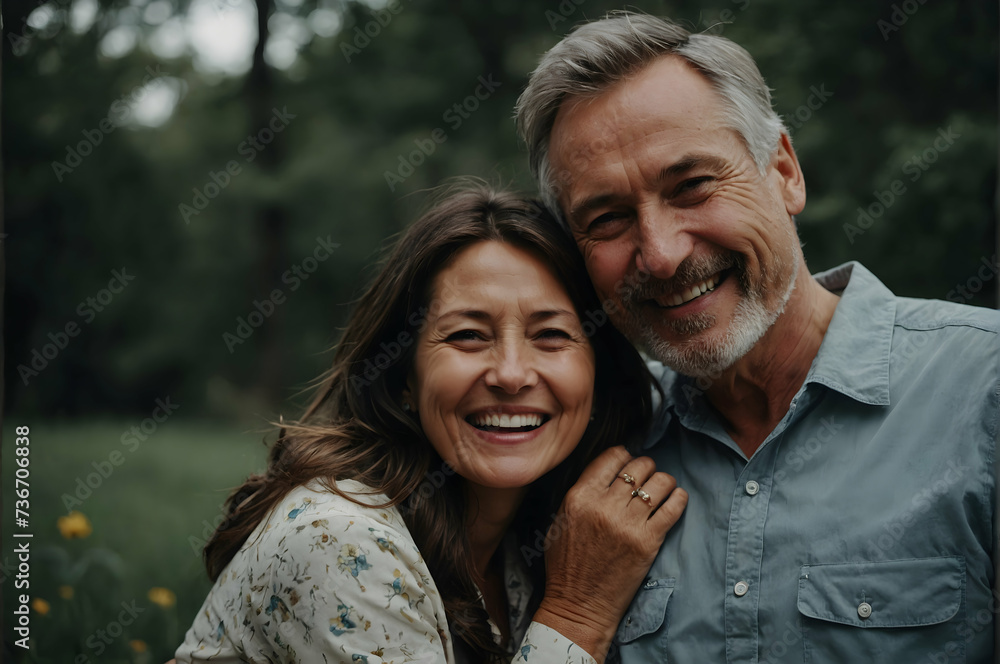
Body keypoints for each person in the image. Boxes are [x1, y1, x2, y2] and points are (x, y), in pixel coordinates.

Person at [515, 11, 999, 663]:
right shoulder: (583, 451)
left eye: (692, 186)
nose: (660, 255)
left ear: (784, 172)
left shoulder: (983, 390)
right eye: (608, 218)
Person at [172, 183, 688, 664]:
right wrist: (579, 614)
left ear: (596, 374)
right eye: (467, 335)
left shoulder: (529, 538)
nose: (510, 374)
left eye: (551, 334)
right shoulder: (340, 540)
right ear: (403, 376)